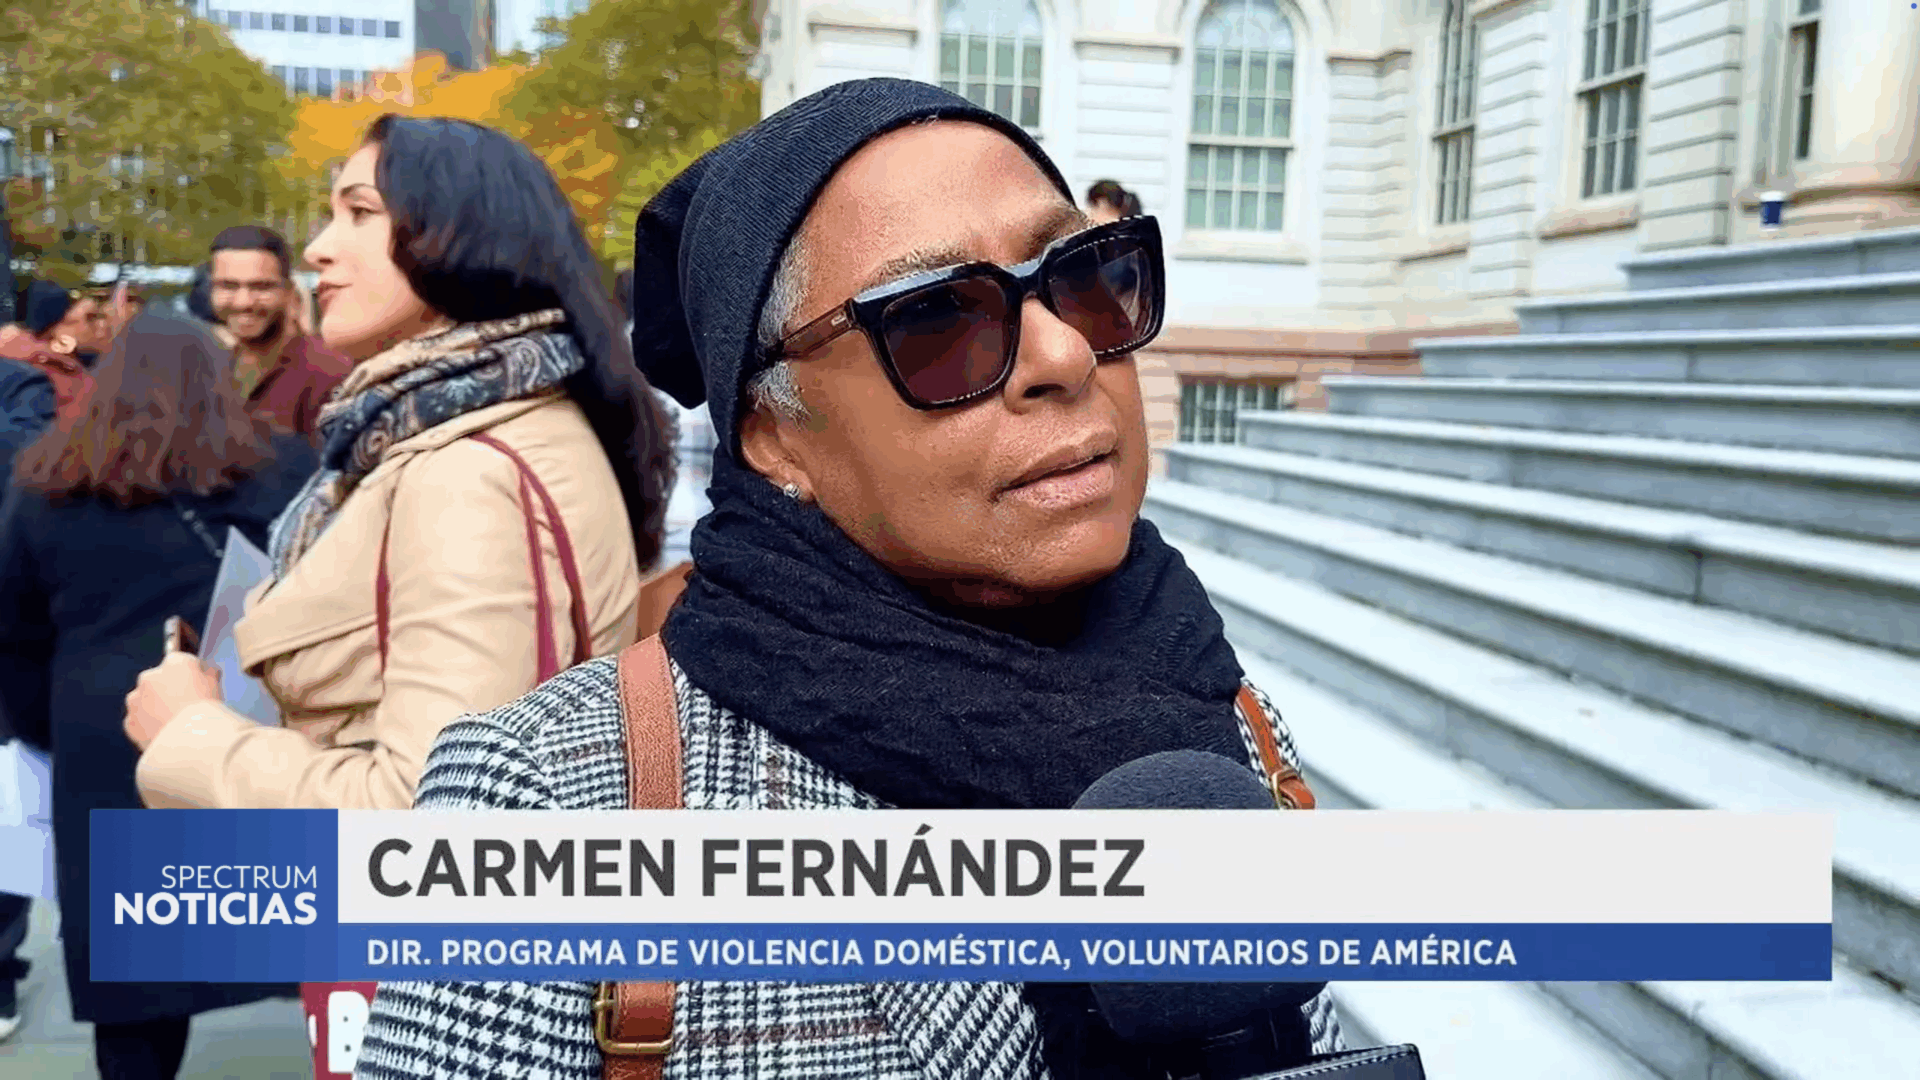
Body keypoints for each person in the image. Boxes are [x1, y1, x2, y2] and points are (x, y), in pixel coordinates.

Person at [355, 78, 1345, 1079]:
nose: (1064, 351)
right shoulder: (549, 801)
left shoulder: (1223, 709)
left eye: (1084, 276)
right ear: (776, 437)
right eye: (940, 320)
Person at [123, 112, 673, 813]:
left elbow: (435, 813)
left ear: (460, 234)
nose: (319, 249)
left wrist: (189, 735)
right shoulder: (458, 428)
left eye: (360, 213)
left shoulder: (468, 474)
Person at [0, 313, 316, 1078]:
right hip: (235, 718)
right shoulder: (278, 467)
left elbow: (13, 628)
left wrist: (46, 730)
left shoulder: (48, 479)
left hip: (101, 737)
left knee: (135, 981)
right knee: (284, 926)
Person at [204, 224, 352, 441]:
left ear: (289, 293)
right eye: (228, 286)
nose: (243, 302)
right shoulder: (210, 369)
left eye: (261, 287)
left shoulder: (327, 373)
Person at [0, 281, 112, 423]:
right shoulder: (41, 381)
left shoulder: (68, 369)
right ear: (56, 330)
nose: (101, 328)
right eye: (89, 319)